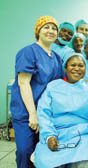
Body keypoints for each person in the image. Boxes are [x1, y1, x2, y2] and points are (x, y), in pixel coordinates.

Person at [34, 54, 88, 168]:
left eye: (81, 65)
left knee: (85, 164)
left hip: (84, 134)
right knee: (49, 163)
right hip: (57, 132)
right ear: (65, 68)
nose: (77, 68)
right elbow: (43, 113)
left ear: (85, 69)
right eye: (73, 65)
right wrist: (49, 136)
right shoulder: (53, 87)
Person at [10, 16, 64, 168]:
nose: (50, 31)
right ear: (38, 31)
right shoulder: (28, 52)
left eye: (54, 28)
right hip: (26, 112)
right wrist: (33, 114)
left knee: (42, 152)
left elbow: (62, 84)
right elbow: (23, 82)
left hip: (46, 112)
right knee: (25, 150)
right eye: (46, 27)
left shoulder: (57, 58)